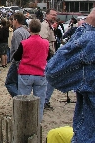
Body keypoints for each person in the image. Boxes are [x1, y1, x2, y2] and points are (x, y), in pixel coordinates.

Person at [46, 8, 95, 142]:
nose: (55, 17)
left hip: (88, 134)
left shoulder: (90, 42)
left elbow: (53, 72)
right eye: (53, 14)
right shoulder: (48, 27)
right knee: (56, 134)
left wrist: (87, 28)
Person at [13, 19, 50, 123]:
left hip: (25, 73)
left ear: (29, 29)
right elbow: (49, 56)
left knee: (23, 99)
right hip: (40, 73)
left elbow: (16, 57)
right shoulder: (45, 43)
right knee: (40, 100)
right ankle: (37, 121)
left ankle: (22, 121)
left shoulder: (24, 43)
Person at [5, 12, 30, 97]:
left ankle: (19, 99)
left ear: (16, 20)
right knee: (19, 83)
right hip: (25, 61)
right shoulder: (26, 32)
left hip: (18, 62)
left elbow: (17, 49)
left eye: (13, 20)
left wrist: (17, 64)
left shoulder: (17, 33)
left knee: (9, 82)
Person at [40, 8, 57, 110]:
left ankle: (45, 100)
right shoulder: (44, 26)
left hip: (50, 56)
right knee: (50, 79)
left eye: (55, 15)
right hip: (47, 57)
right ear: (47, 15)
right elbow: (45, 42)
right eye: (52, 15)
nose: (54, 16)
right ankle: (44, 100)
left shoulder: (49, 26)